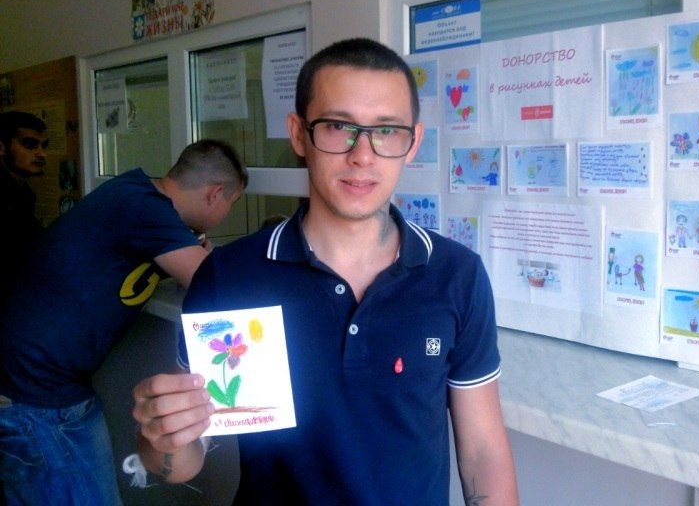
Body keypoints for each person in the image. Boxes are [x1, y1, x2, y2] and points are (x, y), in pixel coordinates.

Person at [133, 39, 519, 504]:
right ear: (299, 134)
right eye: (339, 127)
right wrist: (163, 438)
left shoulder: (456, 275)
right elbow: (184, 459)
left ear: (412, 142)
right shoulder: (231, 276)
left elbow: (483, 452)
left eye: (386, 130)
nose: (363, 155)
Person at [0, 139, 248, 505]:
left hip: (38, 382)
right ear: (215, 194)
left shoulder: (136, 194)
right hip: (36, 392)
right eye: (232, 202)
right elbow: (216, 286)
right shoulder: (146, 208)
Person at [0, 110, 48, 303]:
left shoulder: (24, 193)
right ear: (2, 147)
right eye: (29, 144)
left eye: (44, 146)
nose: (41, 154)